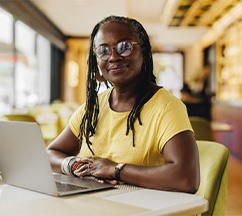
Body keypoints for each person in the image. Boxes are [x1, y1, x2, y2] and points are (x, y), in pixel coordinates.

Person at [47, 15, 200, 193]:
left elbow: (186, 178)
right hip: (96, 204)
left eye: (124, 47)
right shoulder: (94, 106)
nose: (113, 57)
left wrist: (115, 170)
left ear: (143, 51)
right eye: (103, 50)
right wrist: (72, 165)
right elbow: (51, 153)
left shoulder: (166, 106)